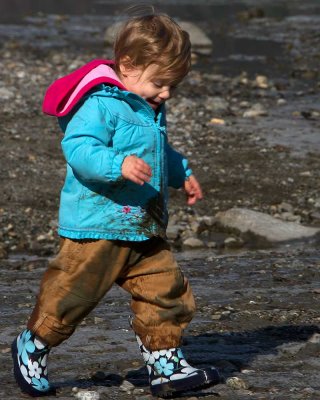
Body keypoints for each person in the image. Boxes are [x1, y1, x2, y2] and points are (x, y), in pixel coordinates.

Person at [11, 11, 221, 398]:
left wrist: (181, 172)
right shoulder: (101, 104)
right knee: (72, 295)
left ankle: (165, 362)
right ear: (128, 65)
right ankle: (34, 344)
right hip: (97, 223)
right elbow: (78, 149)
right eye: (160, 83)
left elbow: (158, 151)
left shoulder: (150, 106)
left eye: (172, 85)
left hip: (142, 222)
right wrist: (117, 164)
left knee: (165, 288)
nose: (167, 94)